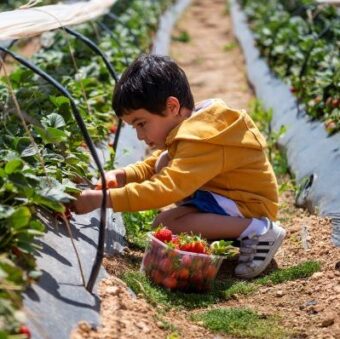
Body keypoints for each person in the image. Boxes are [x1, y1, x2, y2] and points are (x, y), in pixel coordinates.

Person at [71, 54, 286, 279]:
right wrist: (124, 175)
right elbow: (157, 164)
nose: (140, 136)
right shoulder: (194, 125)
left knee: (167, 223)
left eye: (141, 124)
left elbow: (166, 188)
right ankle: (239, 227)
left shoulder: (201, 138)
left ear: (172, 106)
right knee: (165, 165)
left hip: (248, 205)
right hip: (229, 199)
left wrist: (102, 200)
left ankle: (259, 231)